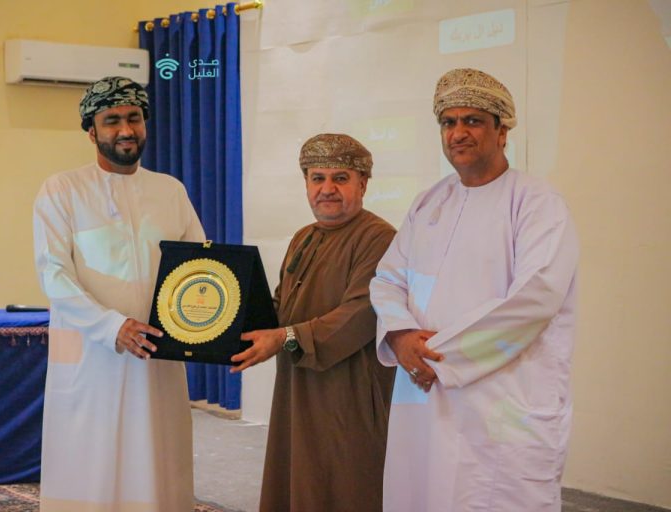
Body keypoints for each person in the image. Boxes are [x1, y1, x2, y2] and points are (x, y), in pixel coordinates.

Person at [370, 68, 579, 511]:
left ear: (502, 132)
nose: (458, 133)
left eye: (473, 121)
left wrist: (439, 358)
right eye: (449, 122)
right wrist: (401, 336)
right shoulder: (429, 201)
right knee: (420, 493)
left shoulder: (537, 203)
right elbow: (388, 279)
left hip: (500, 399)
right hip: (422, 393)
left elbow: (535, 298)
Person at [32, 76, 205, 511]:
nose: (126, 130)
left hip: (158, 356)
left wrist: (210, 325)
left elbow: (199, 268)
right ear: (91, 131)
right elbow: (54, 275)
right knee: (91, 466)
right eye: (112, 120)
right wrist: (112, 327)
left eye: (134, 118)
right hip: (92, 359)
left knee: (157, 462)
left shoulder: (170, 191)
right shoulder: (62, 190)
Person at [231, 134, 397, 511]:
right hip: (298, 387)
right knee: (298, 477)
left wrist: (284, 338)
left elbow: (360, 314)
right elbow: (282, 306)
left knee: (345, 482)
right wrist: (229, 327)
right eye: (317, 178)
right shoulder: (303, 237)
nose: (327, 189)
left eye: (340, 178)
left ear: (363, 184)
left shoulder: (379, 238)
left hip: (348, 392)